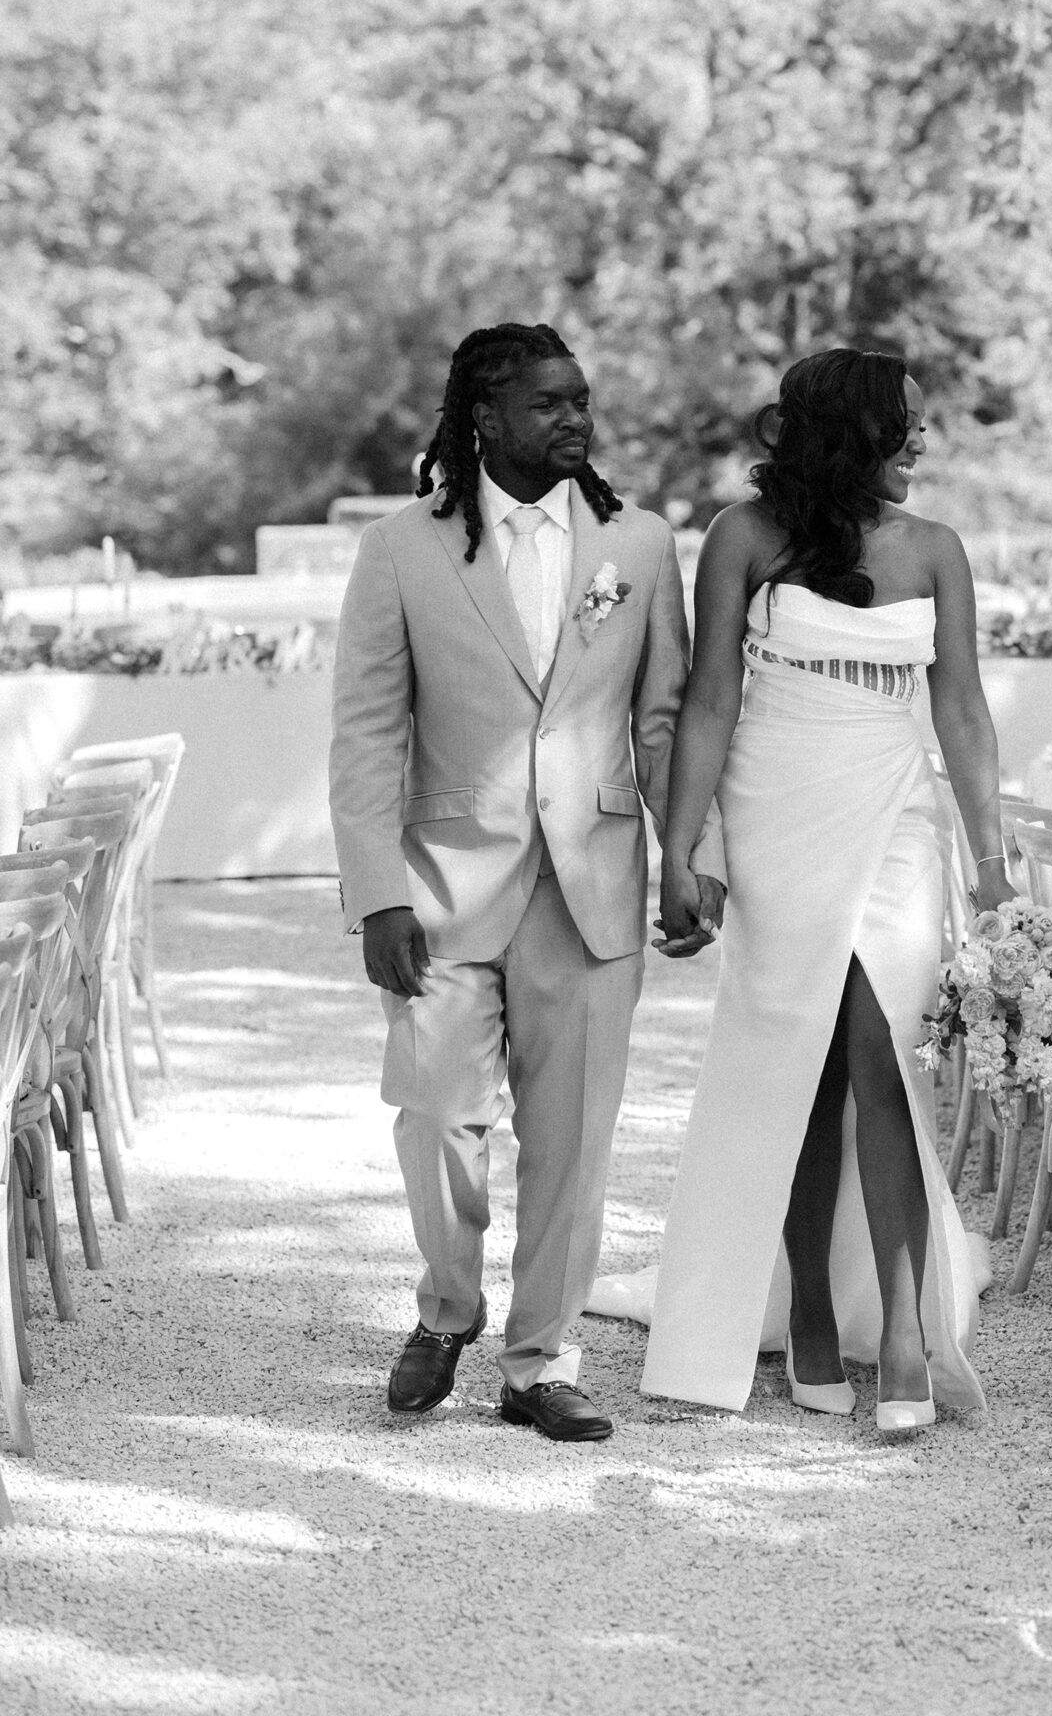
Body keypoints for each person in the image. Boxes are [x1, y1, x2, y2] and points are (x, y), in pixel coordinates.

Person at [329, 322, 723, 1441]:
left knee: (573, 1141)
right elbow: (365, 732)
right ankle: (448, 1308)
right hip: (442, 889)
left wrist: (693, 857)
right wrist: (376, 892)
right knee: (438, 1113)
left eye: (582, 401)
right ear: (484, 418)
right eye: (549, 404)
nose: (575, 421)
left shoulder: (638, 545)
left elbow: (659, 721)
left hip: (590, 887)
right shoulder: (402, 548)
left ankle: (539, 1362)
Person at [637, 349, 1007, 1430]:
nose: (924, 443)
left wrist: (989, 868)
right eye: (909, 423)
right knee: (804, 1067)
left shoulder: (937, 550)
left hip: (893, 806)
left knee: (885, 1055)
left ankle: (902, 1333)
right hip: (776, 805)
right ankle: (804, 1309)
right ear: (857, 433)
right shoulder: (744, 539)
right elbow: (709, 700)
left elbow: (966, 715)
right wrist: (681, 848)